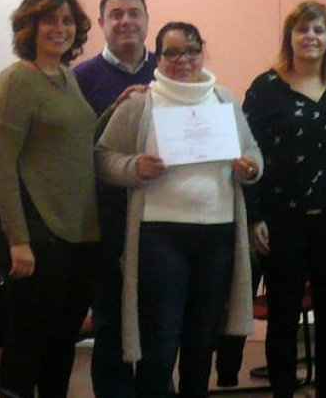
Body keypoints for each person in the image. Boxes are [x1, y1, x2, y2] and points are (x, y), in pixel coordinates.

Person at [96, 21, 263, 397]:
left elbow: (252, 153)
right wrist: (133, 167)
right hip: (160, 235)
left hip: (218, 233)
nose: (182, 59)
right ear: (159, 56)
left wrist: (250, 168)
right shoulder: (141, 101)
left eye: (190, 50)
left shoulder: (224, 100)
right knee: (161, 338)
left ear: (202, 51)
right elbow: (103, 157)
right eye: (172, 52)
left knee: (203, 337)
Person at [0, 0, 100, 398]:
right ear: (29, 26)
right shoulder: (17, 79)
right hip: (32, 229)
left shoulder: (66, 78)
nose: (60, 28)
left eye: (67, 20)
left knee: (61, 341)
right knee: (28, 343)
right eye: (50, 19)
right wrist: (18, 240)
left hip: (75, 231)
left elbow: (72, 144)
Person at [243, 1, 326, 397]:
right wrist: (253, 216)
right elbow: (248, 154)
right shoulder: (265, 88)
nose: (311, 37)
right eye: (303, 30)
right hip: (281, 218)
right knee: (284, 317)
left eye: (319, 30)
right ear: (289, 37)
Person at [72, 0, 155, 398]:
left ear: (146, 21)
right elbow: (73, 152)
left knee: (158, 319)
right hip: (105, 221)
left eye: (134, 13)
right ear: (102, 23)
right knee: (111, 320)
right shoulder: (80, 79)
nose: (126, 21)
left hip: (161, 223)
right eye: (116, 14)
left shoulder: (169, 71)